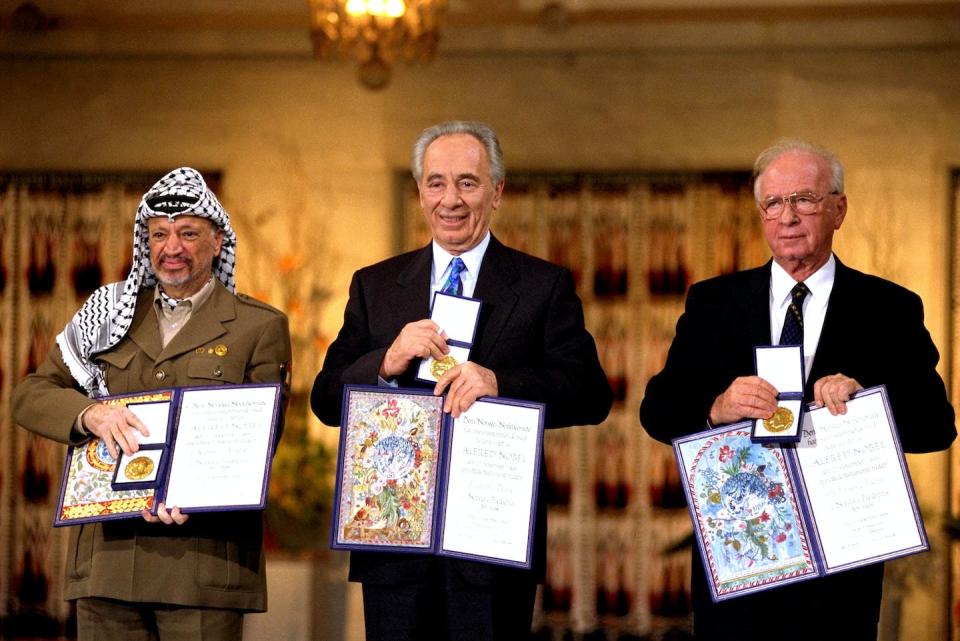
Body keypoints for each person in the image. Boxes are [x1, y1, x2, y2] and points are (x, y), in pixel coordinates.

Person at [639, 139, 956, 641]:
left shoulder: (889, 307)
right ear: (761, 213)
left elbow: (937, 425)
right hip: (739, 563)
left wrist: (867, 396)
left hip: (841, 576)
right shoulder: (712, 302)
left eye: (805, 199)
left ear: (839, 209)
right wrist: (716, 407)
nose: (788, 216)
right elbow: (656, 410)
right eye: (774, 203)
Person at [311, 120, 612, 641]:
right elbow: (325, 399)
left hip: (492, 542)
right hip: (394, 541)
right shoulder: (375, 285)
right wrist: (386, 361)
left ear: (496, 192)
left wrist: (501, 381)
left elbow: (590, 392)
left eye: (467, 183)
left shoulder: (543, 285)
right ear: (419, 192)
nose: (450, 199)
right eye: (436, 182)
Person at [13, 167, 292, 641]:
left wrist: (195, 492)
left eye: (188, 233)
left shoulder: (257, 326)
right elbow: (30, 394)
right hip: (106, 561)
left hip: (201, 565)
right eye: (159, 234)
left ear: (218, 241)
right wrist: (89, 413)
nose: (172, 247)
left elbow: (260, 439)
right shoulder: (107, 313)